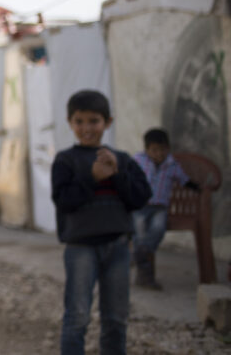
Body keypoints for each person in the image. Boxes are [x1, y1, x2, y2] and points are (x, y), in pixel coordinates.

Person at [50, 90, 151, 355]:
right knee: (78, 316)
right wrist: (91, 177)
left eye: (93, 121)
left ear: (108, 122)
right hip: (80, 248)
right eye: (79, 121)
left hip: (118, 247)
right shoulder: (66, 160)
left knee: (116, 319)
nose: (86, 128)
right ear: (70, 123)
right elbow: (64, 201)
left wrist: (117, 174)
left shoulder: (122, 160)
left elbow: (140, 198)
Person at [131, 127, 196, 289]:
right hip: (140, 205)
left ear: (168, 148)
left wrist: (197, 187)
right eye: (154, 150)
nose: (159, 154)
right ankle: (142, 258)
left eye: (163, 149)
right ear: (146, 150)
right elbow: (126, 175)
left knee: (158, 228)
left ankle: (143, 252)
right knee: (138, 230)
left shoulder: (172, 165)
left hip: (160, 207)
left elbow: (184, 180)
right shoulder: (138, 160)